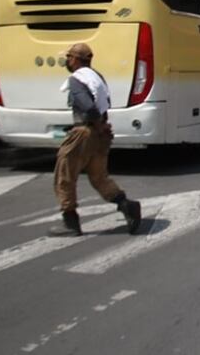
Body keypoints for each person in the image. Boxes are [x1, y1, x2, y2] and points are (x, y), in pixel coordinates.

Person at [48, 43, 142, 237]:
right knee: (99, 177)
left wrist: (97, 124)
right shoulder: (97, 77)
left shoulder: (77, 79)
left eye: (69, 57)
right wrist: (102, 127)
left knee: (64, 175)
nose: (67, 61)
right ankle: (127, 206)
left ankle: (70, 222)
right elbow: (103, 104)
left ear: (75, 59)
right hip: (101, 135)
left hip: (85, 132)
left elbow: (89, 108)